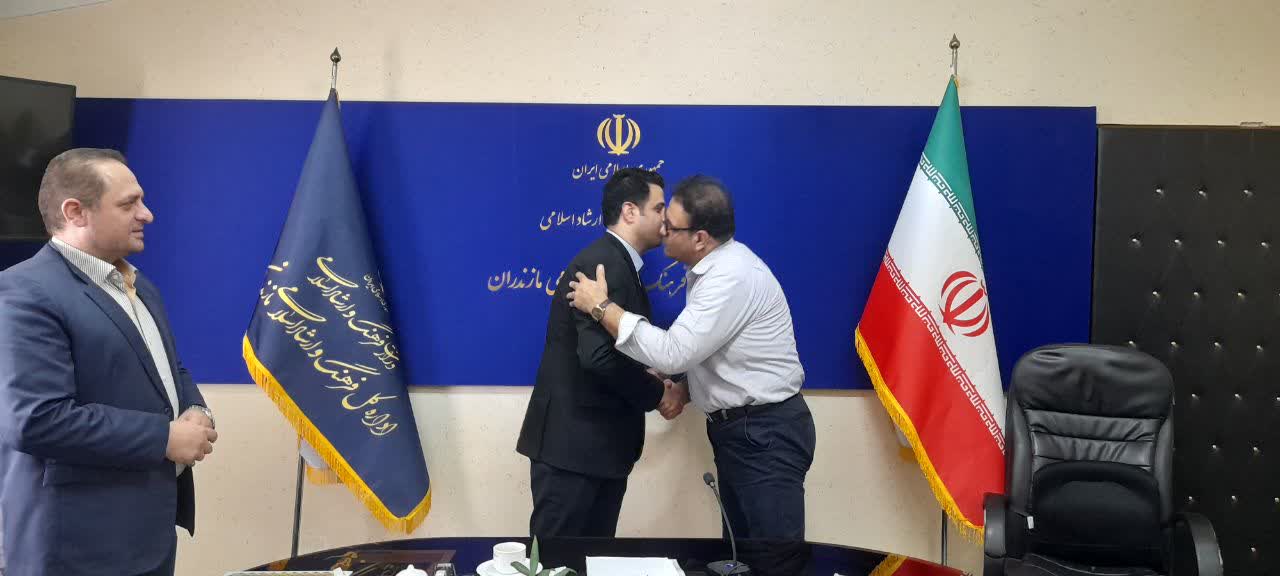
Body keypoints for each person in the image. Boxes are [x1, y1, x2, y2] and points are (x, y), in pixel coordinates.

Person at [0, 148, 217, 576]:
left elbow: (168, 369)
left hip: (148, 535)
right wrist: (164, 437)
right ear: (75, 212)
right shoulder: (24, 293)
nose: (147, 214)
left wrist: (196, 409)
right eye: (128, 204)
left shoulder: (139, 285)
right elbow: (36, 419)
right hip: (74, 549)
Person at [567, 174, 816, 541]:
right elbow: (709, 348)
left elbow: (674, 352)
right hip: (746, 433)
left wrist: (602, 307)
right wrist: (683, 390)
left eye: (670, 225)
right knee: (740, 556)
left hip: (764, 434)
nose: (662, 230)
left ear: (700, 238)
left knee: (775, 556)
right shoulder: (710, 269)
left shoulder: (730, 277)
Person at [517, 168, 686, 538]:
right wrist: (657, 394)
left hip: (592, 451)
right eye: (659, 208)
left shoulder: (619, 263)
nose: (666, 220)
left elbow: (613, 351)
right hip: (575, 453)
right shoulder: (605, 264)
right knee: (558, 561)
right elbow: (598, 359)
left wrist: (652, 375)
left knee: (593, 559)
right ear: (630, 211)